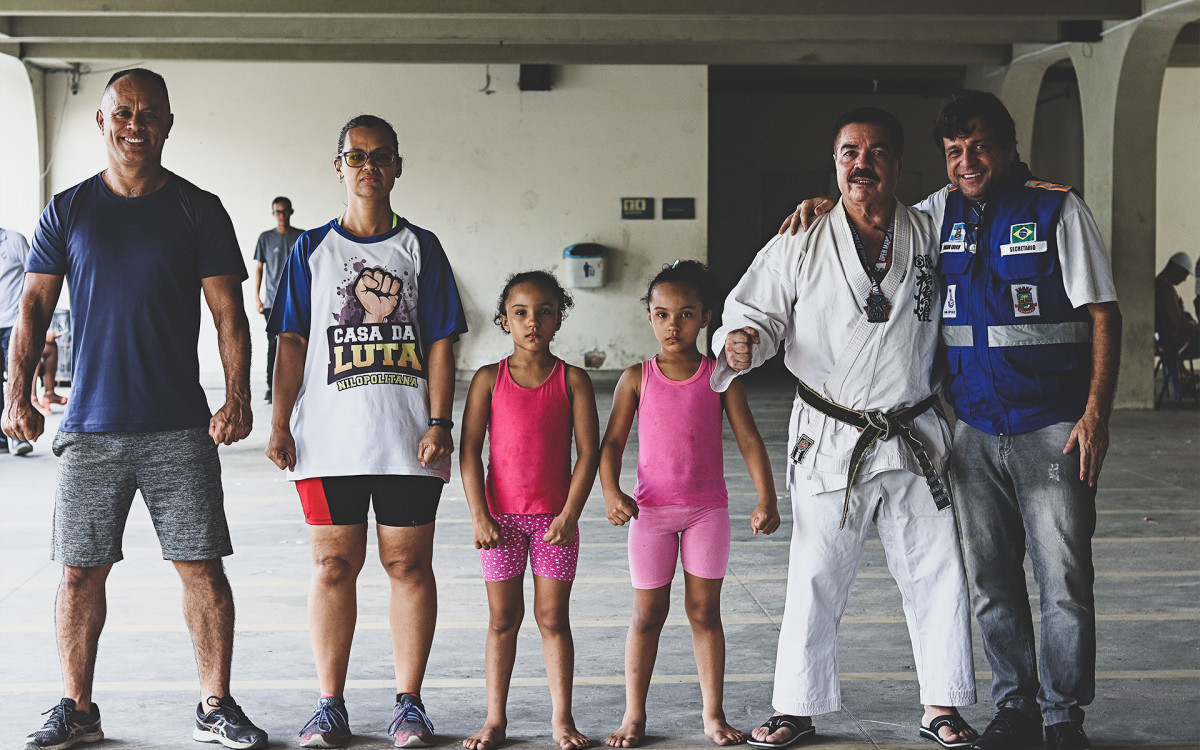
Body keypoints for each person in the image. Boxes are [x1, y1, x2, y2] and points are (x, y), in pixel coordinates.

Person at [781, 90, 1121, 750]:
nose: (968, 161)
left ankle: (1061, 716)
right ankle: (1015, 705)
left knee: (1063, 579)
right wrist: (828, 206)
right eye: (954, 151)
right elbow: (874, 216)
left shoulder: (1057, 208)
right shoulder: (935, 216)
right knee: (990, 581)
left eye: (981, 146)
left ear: (1010, 146)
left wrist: (1096, 414)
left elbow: (1102, 311)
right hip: (967, 429)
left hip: (1051, 425)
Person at [1, 68, 267, 750]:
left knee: (201, 566)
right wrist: (19, 395)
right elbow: (32, 305)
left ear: (168, 125)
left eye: (149, 114)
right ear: (101, 121)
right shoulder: (68, 209)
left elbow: (229, 313)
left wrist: (237, 397)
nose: (135, 125)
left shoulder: (198, 208)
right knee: (79, 570)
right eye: (123, 112)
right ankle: (77, 709)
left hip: (179, 424)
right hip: (90, 426)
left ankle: (215, 704)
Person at [720, 108, 978, 750]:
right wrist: (741, 341)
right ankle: (796, 707)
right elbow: (752, 310)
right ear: (834, 162)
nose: (863, 163)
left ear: (899, 163)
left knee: (938, 571)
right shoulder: (800, 239)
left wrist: (1035, 188)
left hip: (916, 432)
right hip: (831, 435)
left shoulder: (932, 227)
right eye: (849, 152)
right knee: (815, 572)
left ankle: (941, 705)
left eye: (878, 151)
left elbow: (984, 185)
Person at [266, 113, 468, 749]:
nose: (369, 167)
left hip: (408, 437)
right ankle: (330, 705)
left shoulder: (420, 248)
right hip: (328, 439)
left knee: (408, 567)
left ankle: (409, 704)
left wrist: (440, 420)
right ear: (339, 166)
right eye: (356, 156)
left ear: (398, 167)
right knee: (333, 566)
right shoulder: (310, 250)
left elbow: (440, 339)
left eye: (381, 156)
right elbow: (292, 339)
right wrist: (279, 420)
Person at [601, 261, 781, 749]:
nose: (672, 326)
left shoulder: (721, 379)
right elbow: (612, 443)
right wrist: (611, 491)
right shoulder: (636, 378)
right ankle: (633, 716)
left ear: (705, 318)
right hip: (650, 515)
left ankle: (713, 715)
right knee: (646, 617)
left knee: (705, 614)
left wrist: (767, 496)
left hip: (707, 513)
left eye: (684, 315)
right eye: (661, 315)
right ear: (649, 317)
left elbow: (748, 440)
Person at [459, 270, 600, 750]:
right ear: (504, 320)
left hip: (554, 524)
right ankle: (495, 720)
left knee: (552, 618)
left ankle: (562, 720)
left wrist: (570, 515)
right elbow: (469, 451)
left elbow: (589, 454)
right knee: (502, 619)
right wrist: (479, 515)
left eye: (543, 312)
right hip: (499, 523)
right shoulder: (487, 380)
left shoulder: (573, 381)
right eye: (520, 313)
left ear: (558, 319)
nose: (532, 321)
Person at [252, 196, 303, 404]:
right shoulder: (265, 238)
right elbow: (259, 268)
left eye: (285, 211)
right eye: (278, 212)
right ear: (273, 214)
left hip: (297, 301)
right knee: (274, 344)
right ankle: (271, 388)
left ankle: (299, 386)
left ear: (291, 212)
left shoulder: (301, 237)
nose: (281, 216)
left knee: (300, 343)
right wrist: (256, 297)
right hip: (272, 302)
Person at [0, 226, 34, 456]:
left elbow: (35, 274)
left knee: (16, 379)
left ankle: (18, 437)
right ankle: (2, 439)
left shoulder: (14, 240)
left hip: (12, 322)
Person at [1155, 252, 1199, 358]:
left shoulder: (1157, 284)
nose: (1184, 279)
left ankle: (1181, 370)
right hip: (1173, 342)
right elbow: (1177, 323)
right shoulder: (1166, 288)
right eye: (1184, 273)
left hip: (1167, 339)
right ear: (1174, 267)